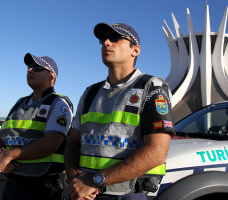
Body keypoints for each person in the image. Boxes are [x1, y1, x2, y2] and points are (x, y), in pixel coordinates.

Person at [64, 23, 175, 200]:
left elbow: (156, 152)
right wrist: (74, 181)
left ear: (135, 50)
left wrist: (95, 181)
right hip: (83, 193)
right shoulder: (90, 93)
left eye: (115, 38)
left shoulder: (152, 87)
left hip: (125, 194)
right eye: (103, 40)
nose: (106, 43)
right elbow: (72, 142)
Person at [0, 53, 73, 200]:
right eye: (29, 67)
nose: (30, 70)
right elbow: (1, 136)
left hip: (41, 189)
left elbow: (51, 143)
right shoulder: (20, 103)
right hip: (11, 186)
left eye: (37, 67)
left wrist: (10, 155)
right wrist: (0, 155)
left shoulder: (58, 103)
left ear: (52, 76)